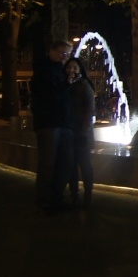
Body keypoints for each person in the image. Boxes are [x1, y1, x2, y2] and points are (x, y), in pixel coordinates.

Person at [30, 40, 73, 212]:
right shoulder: (43, 69)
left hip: (64, 122)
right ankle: (44, 200)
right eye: (62, 53)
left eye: (67, 54)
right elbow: (46, 94)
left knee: (64, 162)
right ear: (52, 51)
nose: (64, 57)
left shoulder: (63, 69)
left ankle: (57, 198)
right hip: (48, 122)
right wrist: (66, 84)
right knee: (48, 163)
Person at [64, 57, 96, 208]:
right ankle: (74, 195)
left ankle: (88, 195)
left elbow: (90, 111)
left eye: (74, 67)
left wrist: (83, 133)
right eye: (69, 67)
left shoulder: (84, 85)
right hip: (68, 131)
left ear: (80, 69)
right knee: (71, 165)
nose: (71, 70)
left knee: (84, 164)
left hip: (82, 132)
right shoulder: (65, 85)